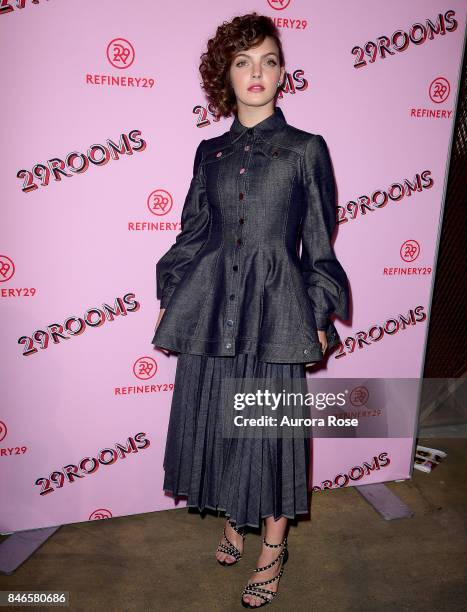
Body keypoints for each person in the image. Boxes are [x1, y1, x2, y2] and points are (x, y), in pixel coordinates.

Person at [152, 12, 349, 608]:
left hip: (277, 311)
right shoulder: (208, 152)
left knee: (270, 430)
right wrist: (169, 296)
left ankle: (273, 547)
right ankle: (233, 521)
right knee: (220, 419)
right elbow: (193, 234)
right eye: (243, 62)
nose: (256, 73)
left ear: (283, 71)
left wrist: (318, 311)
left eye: (268, 60)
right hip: (211, 308)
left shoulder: (304, 150)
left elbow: (319, 242)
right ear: (227, 75)